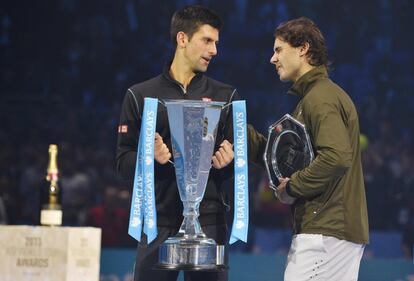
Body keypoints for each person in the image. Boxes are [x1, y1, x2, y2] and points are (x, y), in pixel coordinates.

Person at [116, 5, 239, 281]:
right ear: (182, 39)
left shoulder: (226, 96)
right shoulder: (140, 96)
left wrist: (229, 160)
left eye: (216, 43)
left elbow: (237, 170)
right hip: (158, 222)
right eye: (207, 41)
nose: (214, 50)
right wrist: (147, 155)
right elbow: (122, 165)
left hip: (209, 222)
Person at [269, 17, 369, 280]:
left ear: (303, 49)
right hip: (328, 228)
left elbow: (336, 158)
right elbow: (294, 159)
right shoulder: (314, 97)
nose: (273, 58)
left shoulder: (320, 97)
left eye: (279, 49)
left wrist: (292, 187)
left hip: (327, 229)